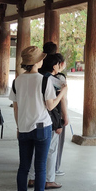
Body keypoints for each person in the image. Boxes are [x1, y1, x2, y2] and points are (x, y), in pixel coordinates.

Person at [10, 46, 67, 191]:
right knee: (40, 166)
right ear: (37, 62)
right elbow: (50, 105)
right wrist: (62, 93)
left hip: (24, 127)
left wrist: (19, 126)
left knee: (24, 167)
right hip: (42, 127)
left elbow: (16, 107)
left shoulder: (17, 80)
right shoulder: (44, 80)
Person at [27, 53, 68, 189]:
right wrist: (63, 118)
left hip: (33, 117)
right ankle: (49, 179)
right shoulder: (52, 80)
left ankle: (32, 178)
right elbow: (60, 100)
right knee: (51, 150)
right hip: (50, 118)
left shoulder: (34, 77)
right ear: (54, 65)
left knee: (34, 150)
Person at [42, 42, 68, 176]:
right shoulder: (55, 78)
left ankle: (34, 174)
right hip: (53, 114)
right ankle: (52, 173)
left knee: (38, 148)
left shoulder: (38, 73)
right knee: (53, 147)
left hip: (38, 116)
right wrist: (64, 116)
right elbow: (58, 100)